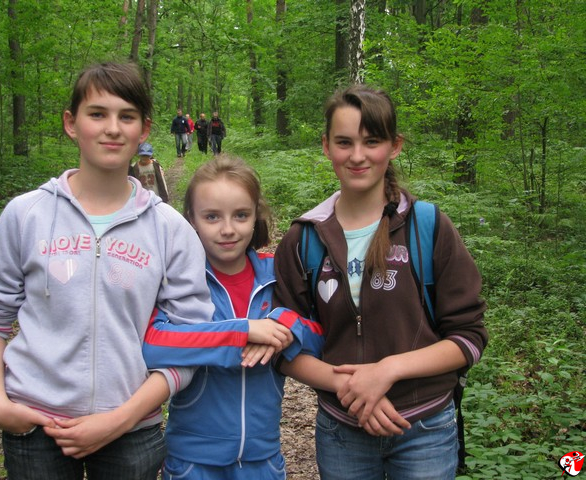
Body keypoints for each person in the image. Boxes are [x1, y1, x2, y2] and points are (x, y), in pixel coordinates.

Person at [0, 62, 215, 480]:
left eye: (127, 116)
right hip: (36, 426)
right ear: (72, 123)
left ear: (144, 129)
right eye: (97, 114)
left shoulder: (169, 229)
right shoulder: (27, 215)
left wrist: (122, 417)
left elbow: (188, 343)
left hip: (131, 429)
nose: (112, 129)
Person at [272, 84, 489, 480]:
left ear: (394, 146)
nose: (357, 156)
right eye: (344, 142)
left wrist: (387, 370)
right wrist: (354, 389)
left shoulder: (428, 227)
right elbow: (286, 347)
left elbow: (469, 337)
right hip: (342, 430)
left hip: (425, 429)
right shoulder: (304, 239)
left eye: (371, 141)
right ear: (326, 146)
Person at [143, 155, 324, 480]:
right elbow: (153, 345)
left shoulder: (276, 275)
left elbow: (321, 334)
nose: (227, 229)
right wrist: (242, 332)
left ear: (256, 216)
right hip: (192, 461)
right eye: (212, 217)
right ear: (191, 219)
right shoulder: (181, 280)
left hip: (263, 458)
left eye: (241, 215)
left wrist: (285, 324)